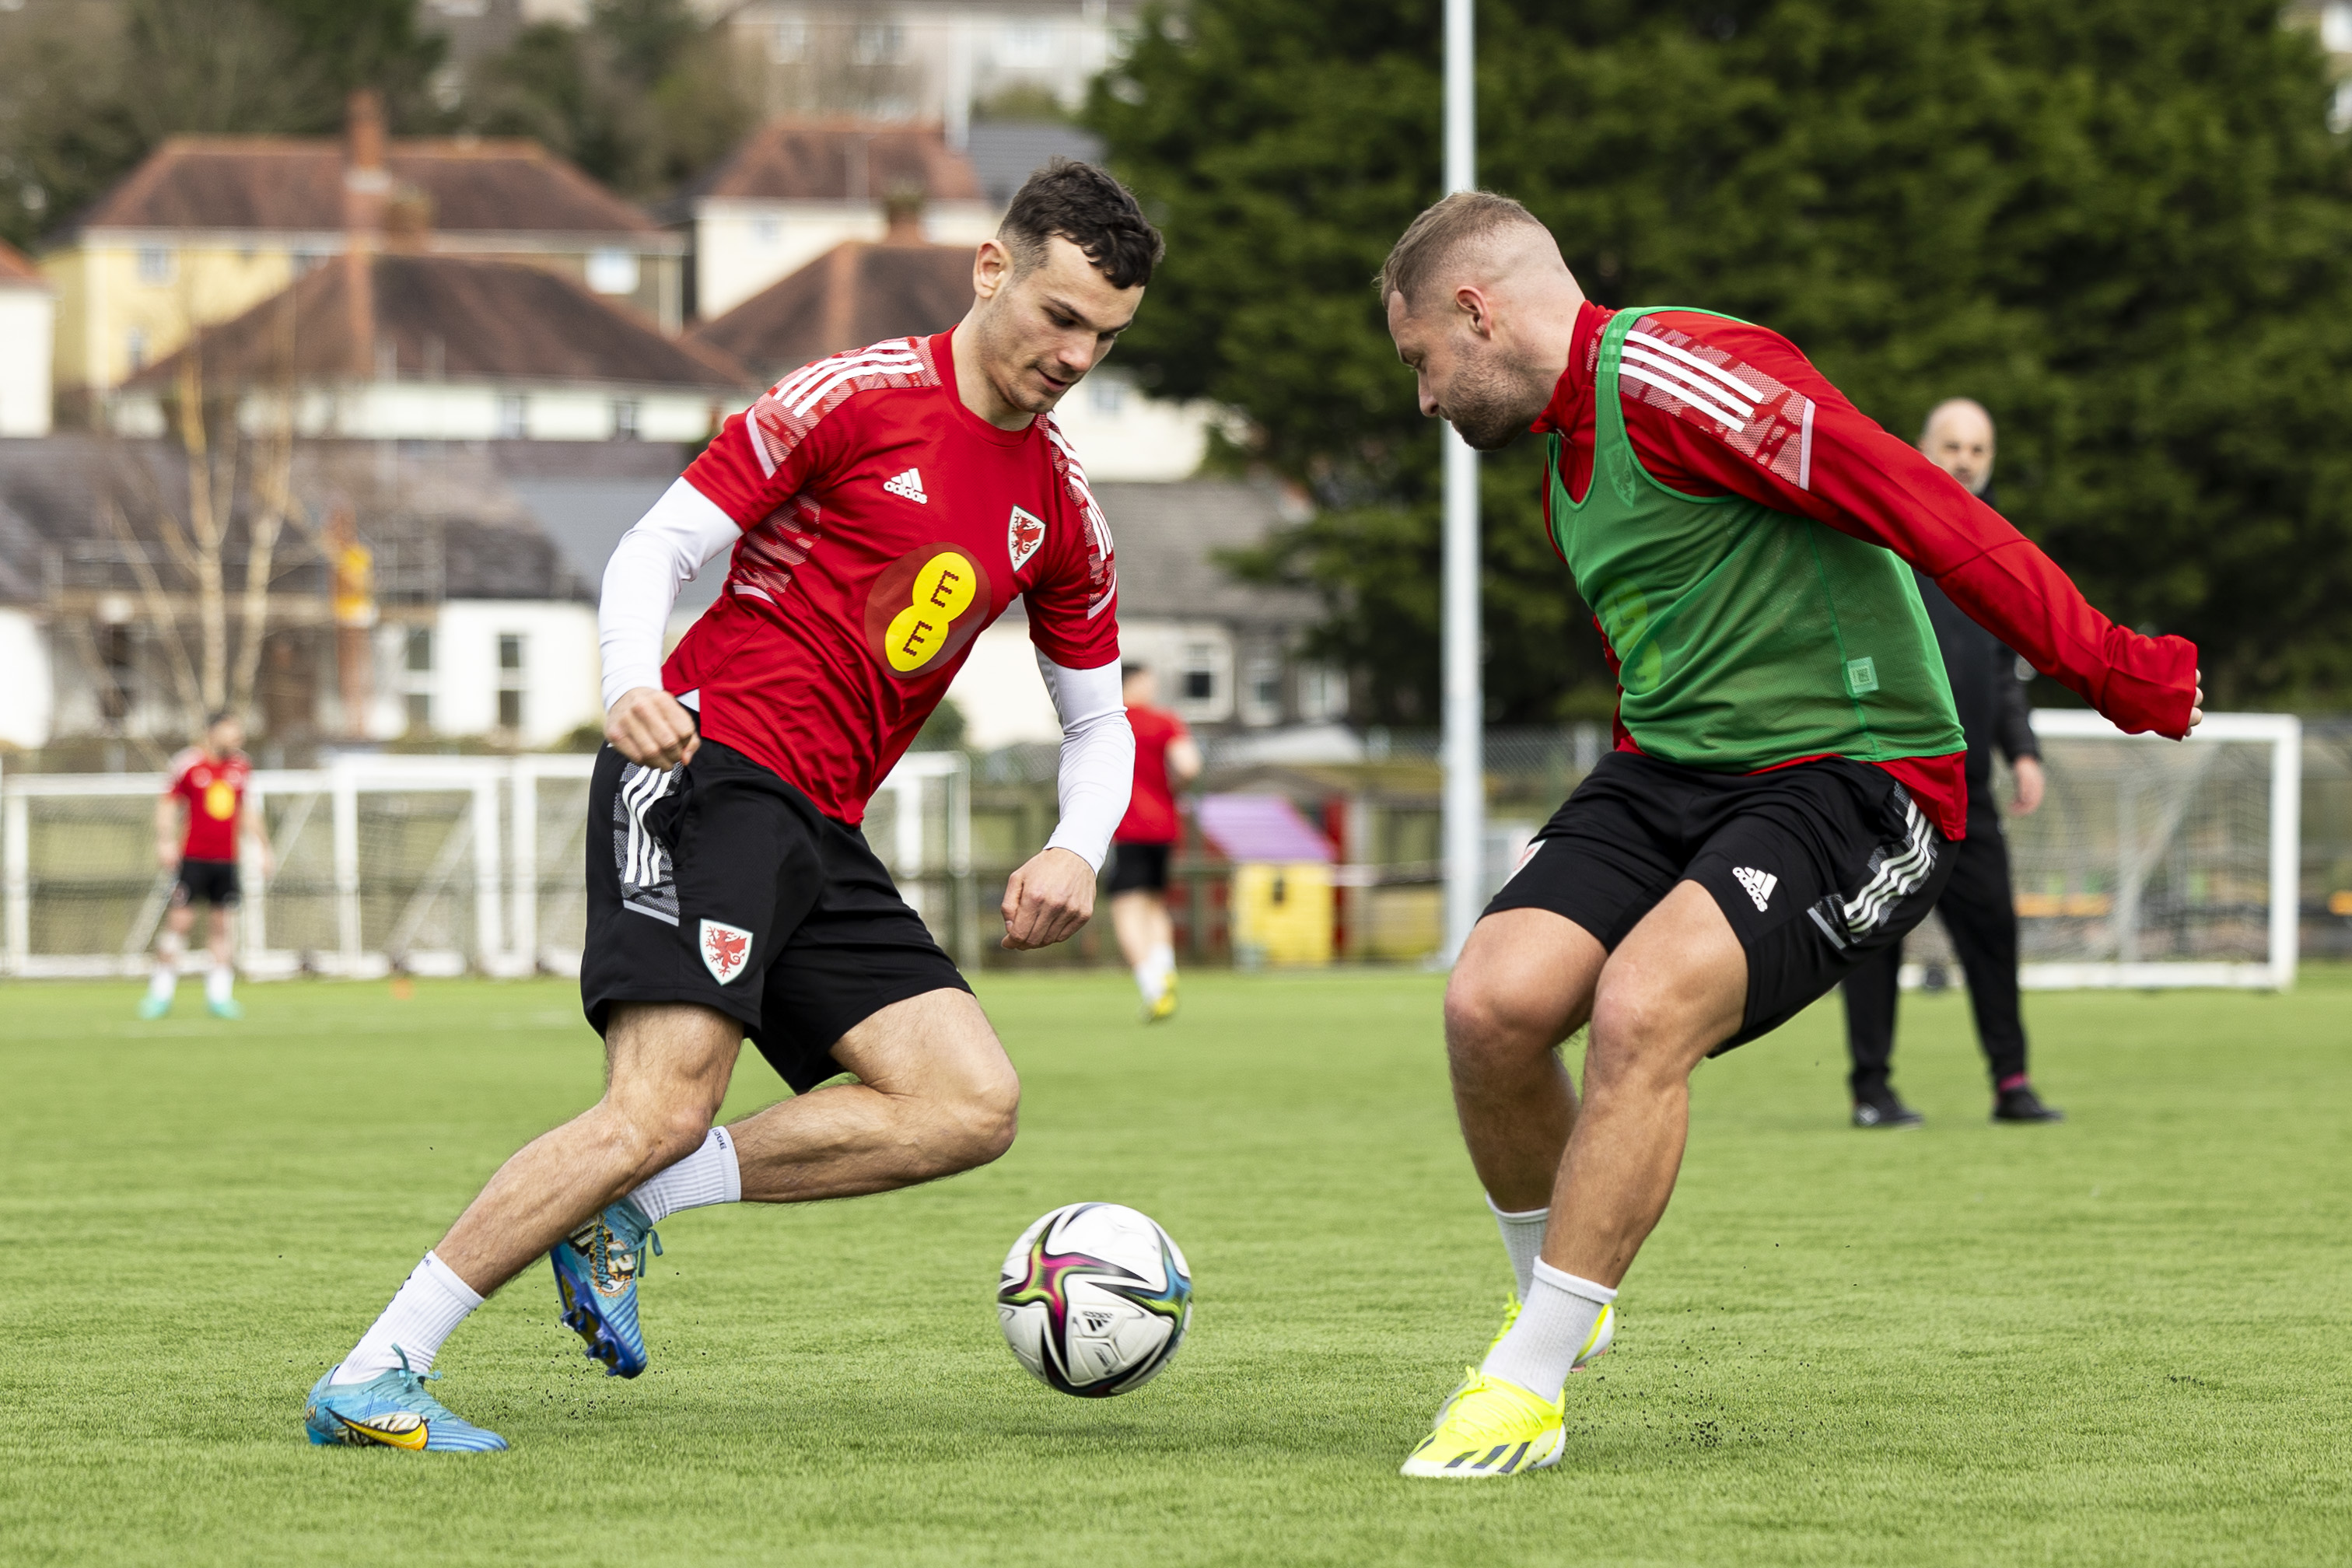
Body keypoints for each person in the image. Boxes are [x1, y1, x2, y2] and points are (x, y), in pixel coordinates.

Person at [303, 160, 1158, 1453]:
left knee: (965, 1103)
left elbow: (1095, 722)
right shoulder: (854, 398)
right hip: (703, 771)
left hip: (820, 826)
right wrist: (628, 684)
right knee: (652, 1106)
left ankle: (636, 1207)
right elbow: (657, 545)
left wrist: (1074, 846)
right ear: (991, 269)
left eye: (1103, 334)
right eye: (1058, 314)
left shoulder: (1060, 510)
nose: (1075, 353)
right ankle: (374, 1371)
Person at [1379, 192, 2201, 1480]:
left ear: (1474, 312)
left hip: (1857, 778)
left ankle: (1524, 1383)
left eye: (1420, 362)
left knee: (1643, 1005)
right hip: (1670, 772)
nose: (1422, 399)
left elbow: (1912, 497)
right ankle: (1552, 1304)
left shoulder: (1673, 373)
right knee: (1487, 1004)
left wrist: (2110, 665)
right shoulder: (1567, 468)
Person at [1842, 399, 2062, 1129]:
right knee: (1874, 937)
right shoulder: (1883, 541)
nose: (1966, 459)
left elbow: (2003, 670)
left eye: (1978, 448)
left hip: (1969, 791)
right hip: (1886, 783)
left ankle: (2013, 1084)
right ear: (1921, 449)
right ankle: (1871, 1091)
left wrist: (2022, 751)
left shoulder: (2000, 549)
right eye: (1952, 445)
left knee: (1994, 931)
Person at [142, 712, 271, 1020]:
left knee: (222, 927)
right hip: (193, 859)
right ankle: (160, 993)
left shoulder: (240, 767)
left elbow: (246, 811)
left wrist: (264, 847)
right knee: (180, 924)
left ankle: (220, 996)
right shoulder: (188, 764)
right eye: (231, 731)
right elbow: (168, 803)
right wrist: (165, 841)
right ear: (212, 732)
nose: (237, 738)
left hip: (227, 860)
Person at [1107, 662, 1201, 1020]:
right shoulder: (1165, 721)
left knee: (1126, 909)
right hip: (1164, 826)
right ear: (1138, 683)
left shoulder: (1112, 721)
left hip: (1127, 827)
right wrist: (1172, 790)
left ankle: (1152, 986)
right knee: (1155, 903)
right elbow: (1189, 765)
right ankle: (1165, 970)